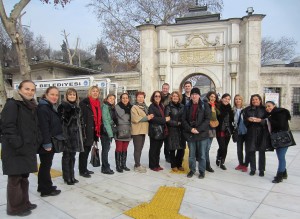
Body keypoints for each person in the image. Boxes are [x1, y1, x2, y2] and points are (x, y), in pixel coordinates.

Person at [1, 80, 41, 216]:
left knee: (24, 177)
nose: (30, 92)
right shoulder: (13, 104)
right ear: (19, 89)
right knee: (15, 179)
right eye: (27, 89)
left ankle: (25, 202)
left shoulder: (30, 105)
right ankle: (14, 208)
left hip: (27, 148)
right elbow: (8, 126)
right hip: (15, 149)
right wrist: (17, 144)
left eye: (32, 90)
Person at [37, 86, 62, 197]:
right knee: (46, 166)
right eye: (52, 94)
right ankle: (46, 190)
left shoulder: (49, 106)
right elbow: (44, 127)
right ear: (46, 95)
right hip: (46, 142)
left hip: (49, 140)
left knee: (45, 165)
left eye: (56, 95)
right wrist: (47, 143)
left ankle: (42, 186)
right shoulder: (43, 108)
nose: (55, 97)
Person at [182, 88, 211, 179]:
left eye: (196, 94)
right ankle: (192, 170)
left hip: (202, 134)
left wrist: (198, 129)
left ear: (199, 95)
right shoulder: (186, 106)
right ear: (190, 96)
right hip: (191, 134)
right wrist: (190, 129)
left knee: (202, 155)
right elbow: (183, 120)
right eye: (192, 94)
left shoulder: (205, 105)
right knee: (191, 155)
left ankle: (202, 171)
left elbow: (207, 119)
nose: (194, 96)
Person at [57, 88, 84, 185]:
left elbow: (79, 123)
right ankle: (67, 177)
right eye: (70, 94)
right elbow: (63, 122)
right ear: (66, 96)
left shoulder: (76, 107)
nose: (72, 96)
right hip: (67, 136)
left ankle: (72, 176)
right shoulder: (63, 106)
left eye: (74, 94)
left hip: (75, 137)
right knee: (66, 157)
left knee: (73, 157)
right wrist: (71, 112)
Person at [243, 94, 269, 177]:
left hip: (262, 132)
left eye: (256, 99)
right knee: (251, 151)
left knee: (262, 151)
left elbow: (268, 120)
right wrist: (248, 119)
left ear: (260, 100)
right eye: (253, 99)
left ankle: (261, 170)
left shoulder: (264, 109)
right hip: (251, 132)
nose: (255, 101)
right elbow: (244, 120)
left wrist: (260, 120)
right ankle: (253, 169)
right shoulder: (247, 109)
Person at [265, 101, 291, 183]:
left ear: (274, 105)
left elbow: (281, 125)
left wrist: (269, 119)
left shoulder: (280, 112)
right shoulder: (272, 114)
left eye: (269, 106)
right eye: (266, 107)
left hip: (283, 139)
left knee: (281, 157)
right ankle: (284, 173)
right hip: (277, 139)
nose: (267, 108)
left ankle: (279, 176)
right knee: (281, 157)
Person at [79, 86, 102, 178]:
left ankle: (84, 168)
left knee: (87, 150)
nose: (95, 93)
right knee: (84, 151)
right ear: (89, 92)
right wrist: (83, 130)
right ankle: (82, 170)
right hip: (86, 131)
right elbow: (81, 118)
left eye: (97, 91)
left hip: (94, 131)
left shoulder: (97, 104)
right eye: (93, 91)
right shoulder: (84, 103)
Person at [131, 91, 154, 173]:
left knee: (140, 148)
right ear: (136, 98)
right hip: (137, 131)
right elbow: (135, 119)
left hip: (143, 130)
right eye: (139, 97)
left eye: (142, 97)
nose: (140, 99)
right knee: (137, 149)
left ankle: (138, 163)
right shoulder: (134, 107)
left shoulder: (145, 107)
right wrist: (147, 118)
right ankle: (137, 165)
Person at [148, 91, 170, 171]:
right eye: (156, 96)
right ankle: (152, 165)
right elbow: (152, 118)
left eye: (159, 96)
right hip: (155, 131)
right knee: (153, 149)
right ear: (153, 97)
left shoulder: (161, 106)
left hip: (161, 131)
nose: (157, 97)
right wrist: (164, 120)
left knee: (158, 149)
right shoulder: (152, 106)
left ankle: (157, 164)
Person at [165, 91, 185, 172]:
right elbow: (167, 119)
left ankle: (179, 164)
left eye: (177, 96)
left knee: (181, 149)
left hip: (181, 130)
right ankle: (173, 165)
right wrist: (177, 123)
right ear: (171, 97)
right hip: (172, 130)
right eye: (174, 96)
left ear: (179, 98)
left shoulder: (183, 106)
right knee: (172, 148)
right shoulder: (168, 107)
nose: (175, 97)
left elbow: (185, 117)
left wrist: (182, 123)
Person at [114, 93, 132, 172]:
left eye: (126, 98)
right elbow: (118, 116)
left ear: (129, 99)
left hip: (128, 130)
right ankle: (118, 166)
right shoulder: (117, 107)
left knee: (125, 148)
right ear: (120, 99)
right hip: (120, 130)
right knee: (119, 148)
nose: (125, 99)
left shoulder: (131, 107)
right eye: (123, 98)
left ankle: (123, 165)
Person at [216, 93, 234, 170]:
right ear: (222, 98)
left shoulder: (230, 108)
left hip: (228, 130)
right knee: (222, 146)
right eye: (225, 98)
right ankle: (218, 156)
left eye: (228, 99)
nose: (226, 100)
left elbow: (232, 120)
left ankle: (222, 162)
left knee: (225, 147)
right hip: (220, 129)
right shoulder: (218, 107)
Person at [100, 94, 116, 175]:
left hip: (108, 131)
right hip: (105, 132)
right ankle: (105, 168)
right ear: (106, 99)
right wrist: (110, 134)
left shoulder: (110, 107)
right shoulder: (105, 107)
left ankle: (105, 166)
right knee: (105, 150)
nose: (112, 100)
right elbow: (105, 120)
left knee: (106, 149)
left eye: (113, 99)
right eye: (110, 98)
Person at [205, 91, 220, 173]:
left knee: (208, 147)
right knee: (206, 148)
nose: (213, 98)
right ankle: (207, 164)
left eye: (214, 97)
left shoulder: (215, 106)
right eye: (211, 96)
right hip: (206, 128)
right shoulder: (206, 105)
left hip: (213, 128)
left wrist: (214, 107)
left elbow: (216, 116)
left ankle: (206, 163)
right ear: (208, 97)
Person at [233, 94, 248, 172]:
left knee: (247, 149)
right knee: (239, 149)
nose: (237, 100)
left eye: (239, 99)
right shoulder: (233, 110)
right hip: (238, 132)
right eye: (236, 99)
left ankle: (246, 165)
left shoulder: (246, 109)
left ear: (242, 100)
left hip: (247, 132)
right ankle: (241, 163)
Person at [161, 83, 171, 163]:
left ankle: (167, 156)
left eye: (166, 88)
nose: (165, 90)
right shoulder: (158, 96)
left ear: (168, 89)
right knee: (159, 141)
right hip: (160, 121)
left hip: (168, 121)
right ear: (162, 88)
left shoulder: (171, 97)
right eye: (164, 88)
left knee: (167, 141)